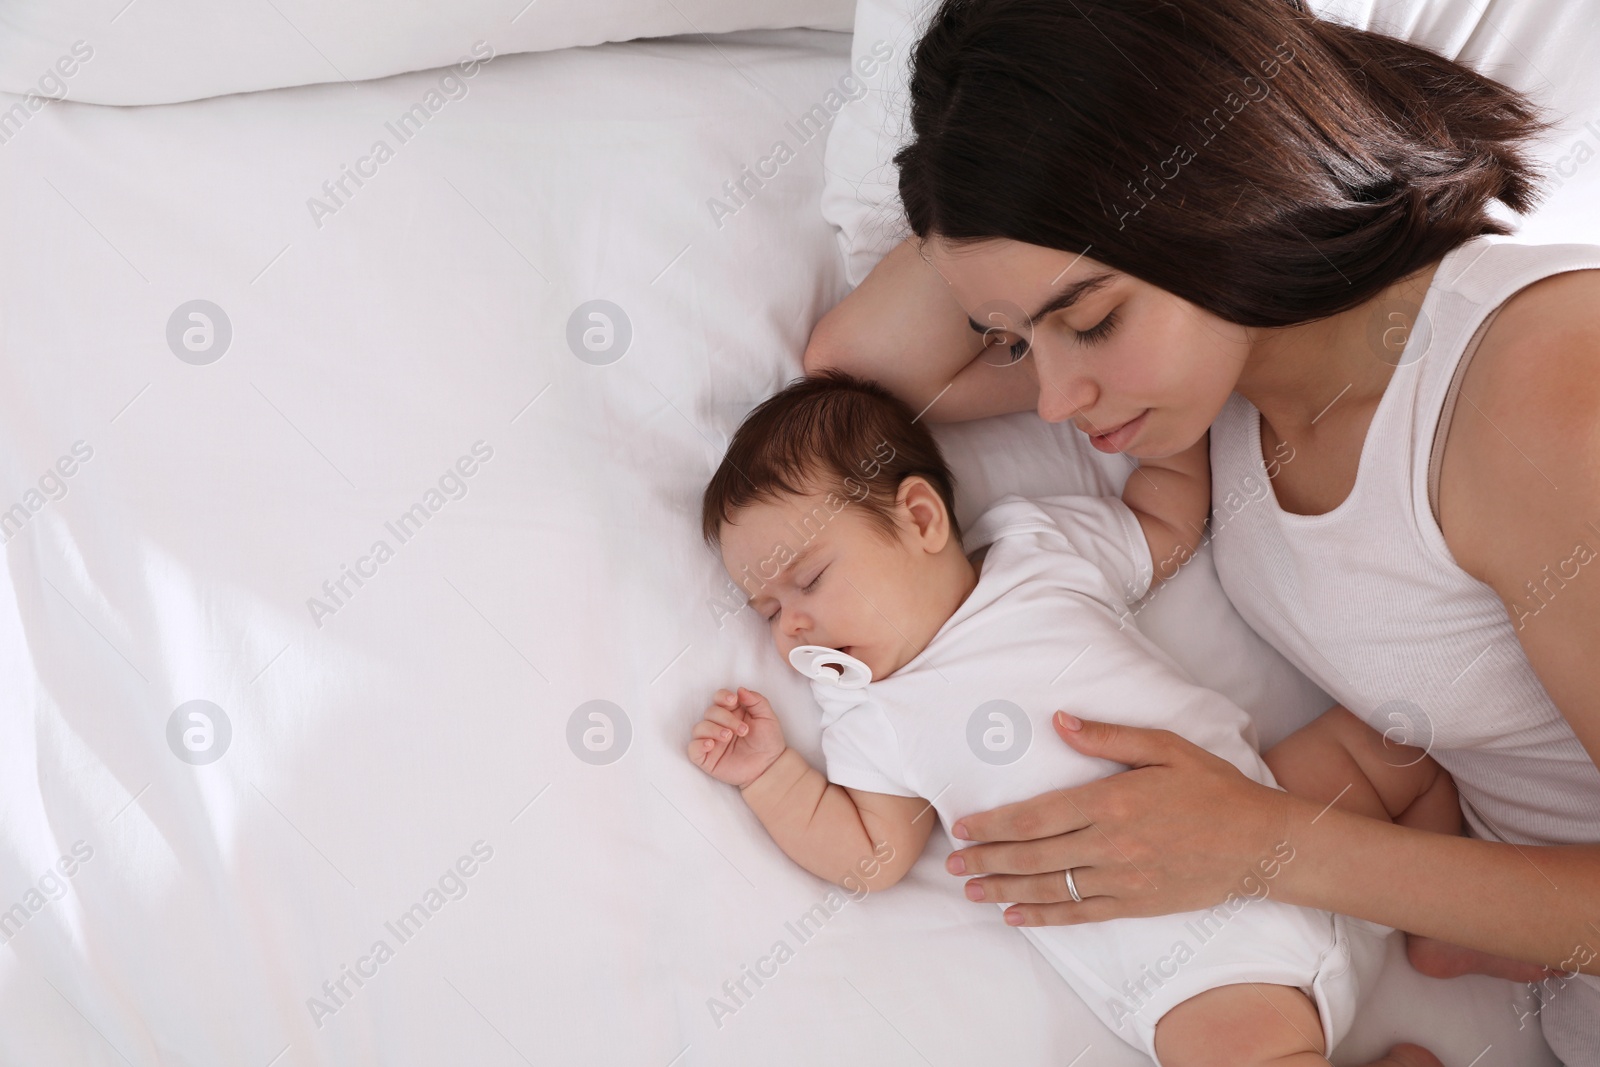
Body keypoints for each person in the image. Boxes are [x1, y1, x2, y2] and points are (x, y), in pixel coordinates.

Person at [801, 0, 1600, 1061]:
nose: (1053, 395)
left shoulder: (1539, 392)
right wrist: (982, 158)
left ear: (1219, 193)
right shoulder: (1234, 385)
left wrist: (1267, 848)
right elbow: (855, 367)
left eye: (1089, 319)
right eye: (1011, 340)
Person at [688, 371, 1441, 1065]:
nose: (792, 626)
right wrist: (769, 774)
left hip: (1280, 803)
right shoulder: (867, 707)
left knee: (1403, 741)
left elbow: (1164, 521)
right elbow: (872, 852)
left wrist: (1157, 416)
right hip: (1187, 956)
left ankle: (1444, 929)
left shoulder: (1035, 547)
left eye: (809, 578)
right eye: (769, 609)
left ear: (919, 518)